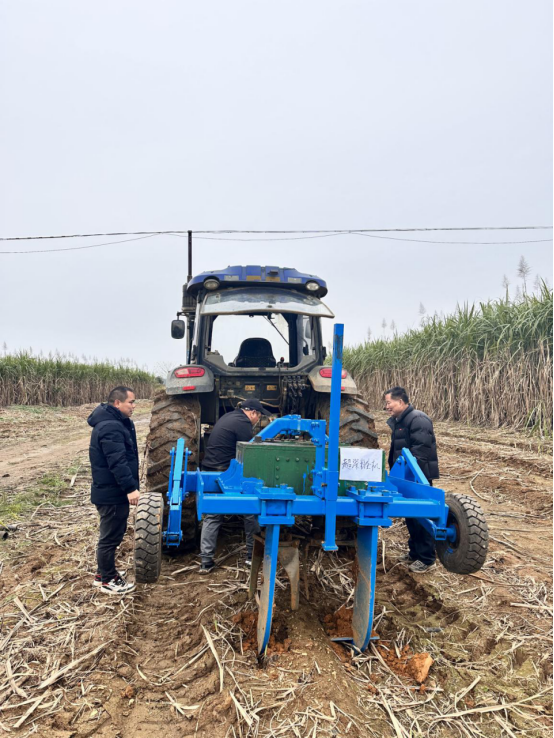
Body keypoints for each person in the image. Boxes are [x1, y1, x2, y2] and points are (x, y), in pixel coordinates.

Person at [199, 399, 271, 573]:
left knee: (213, 515)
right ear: (253, 413)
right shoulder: (243, 423)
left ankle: (206, 561)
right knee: (250, 511)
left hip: (209, 468)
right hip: (225, 472)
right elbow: (251, 454)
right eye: (258, 416)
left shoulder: (229, 416)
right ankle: (251, 556)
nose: (256, 421)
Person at [88, 386, 140, 594]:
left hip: (110, 491)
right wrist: (130, 488)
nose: (134, 406)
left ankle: (103, 573)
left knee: (111, 535)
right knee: (109, 538)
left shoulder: (113, 423)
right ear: (117, 403)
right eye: (131, 402)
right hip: (112, 493)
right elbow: (117, 462)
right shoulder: (111, 427)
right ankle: (106, 580)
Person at [385, 386, 439, 574]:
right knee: (411, 518)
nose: (387, 407)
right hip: (406, 478)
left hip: (418, 477)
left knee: (421, 518)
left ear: (400, 402)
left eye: (389, 402)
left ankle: (427, 559)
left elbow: (421, 450)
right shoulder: (400, 421)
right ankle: (415, 552)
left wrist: (412, 474)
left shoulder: (418, 419)